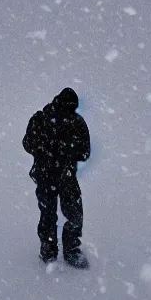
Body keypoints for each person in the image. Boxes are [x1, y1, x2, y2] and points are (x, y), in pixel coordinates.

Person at [23, 87, 91, 268]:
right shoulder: (72, 121)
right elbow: (84, 153)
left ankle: (52, 250)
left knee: (52, 213)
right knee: (66, 213)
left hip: (52, 175)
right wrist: (63, 152)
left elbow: (27, 143)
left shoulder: (41, 119)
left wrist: (48, 152)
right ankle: (66, 250)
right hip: (59, 175)